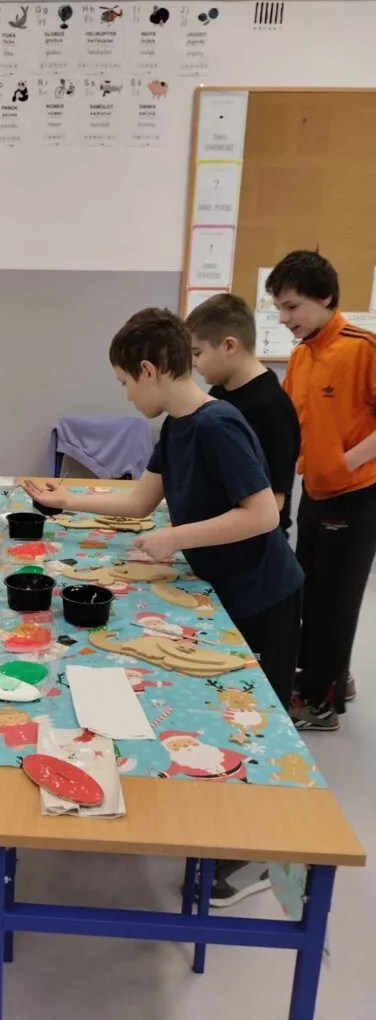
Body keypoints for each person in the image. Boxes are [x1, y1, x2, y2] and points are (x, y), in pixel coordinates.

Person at [25, 307, 305, 908]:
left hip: (263, 593)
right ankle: (219, 817)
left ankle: (261, 854)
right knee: (218, 714)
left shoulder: (218, 423)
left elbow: (263, 514)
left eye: (126, 382)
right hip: (221, 587)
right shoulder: (176, 427)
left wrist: (175, 539)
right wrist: (63, 499)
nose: (127, 396)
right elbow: (139, 501)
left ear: (150, 370)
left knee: (256, 721)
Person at [267, 250, 376, 730]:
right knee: (310, 591)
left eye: (291, 306)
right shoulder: (301, 356)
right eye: (279, 308)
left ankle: (321, 704)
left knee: (336, 600)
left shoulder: (362, 348)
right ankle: (329, 677)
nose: (283, 318)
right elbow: (294, 423)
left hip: (355, 495)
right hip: (315, 490)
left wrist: (346, 460)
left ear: (325, 297)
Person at [186, 293, 300, 536]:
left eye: (197, 353)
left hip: (255, 544)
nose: (194, 363)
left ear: (229, 346)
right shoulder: (220, 391)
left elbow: (275, 502)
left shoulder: (272, 409)